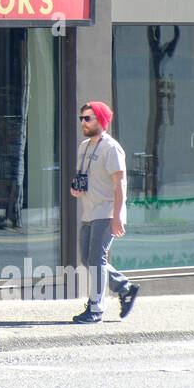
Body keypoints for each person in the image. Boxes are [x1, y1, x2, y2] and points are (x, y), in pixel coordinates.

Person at [69, 101, 139, 323]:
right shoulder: (84, 146)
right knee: (86, 258)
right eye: (82, 118)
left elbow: (121, 184)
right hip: (89, 211)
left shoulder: (112, 148)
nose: (83, 122)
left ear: (101, 120)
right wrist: (76, 188)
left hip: (107, 211)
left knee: (97, 259)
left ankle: (95, 309)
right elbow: (85, 175)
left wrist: (117, 216)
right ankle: (124, 287)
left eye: (88, 118)